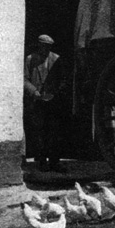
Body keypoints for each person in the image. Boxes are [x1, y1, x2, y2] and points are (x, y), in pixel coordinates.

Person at [23, 34, 67, 173]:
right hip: (37, 102)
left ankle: (55, 162)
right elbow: (24, 79)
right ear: (39, 45)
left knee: (54, 132)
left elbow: (64, 79)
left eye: (48, 47)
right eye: (43, 46)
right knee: (39, 133)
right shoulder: (30, 59)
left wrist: (55, 92)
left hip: (53, 102)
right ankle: (42, 162)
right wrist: (34, 91)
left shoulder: (56, 59)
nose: (46, 49)